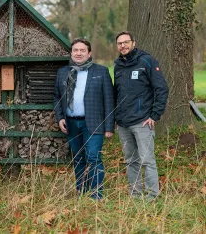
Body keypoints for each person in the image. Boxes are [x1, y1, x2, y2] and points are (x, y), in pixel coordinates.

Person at [54, 38, 114, 199]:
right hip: (71, 123)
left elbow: (109, 99)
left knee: (93, 157)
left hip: (94, 123)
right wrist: (60, 118)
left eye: (82, 50)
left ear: (89, 53)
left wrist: (109, 127)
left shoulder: (101, 71)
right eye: (75, 50)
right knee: (78, 158)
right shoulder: (63, 72)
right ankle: (82, 191)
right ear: (71, 53)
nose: (78, 53)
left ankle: (96, 195)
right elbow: (57, 97)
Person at [114, 31, 169, 200]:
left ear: (134, 43)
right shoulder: (117, 65)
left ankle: (152, 196)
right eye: (120, 43)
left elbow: (161, 89)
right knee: (131, 160)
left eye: (126, 42)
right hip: (123, 123)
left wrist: (154, 115)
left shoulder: (147, 61)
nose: (123, 45)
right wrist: (117, 117)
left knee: (147, 160)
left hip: (143, 121)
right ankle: (135, 195)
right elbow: (117, 93)